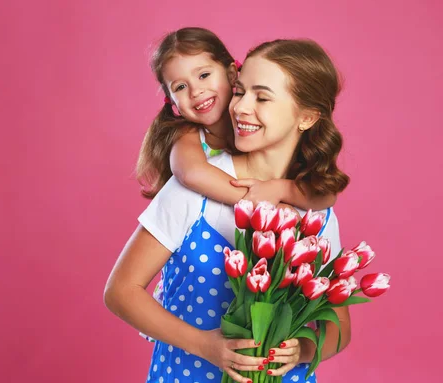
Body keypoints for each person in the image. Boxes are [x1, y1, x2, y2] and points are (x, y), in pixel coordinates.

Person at [105, 38, 351, 383]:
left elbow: (338, 326)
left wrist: (305, 350)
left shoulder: (315, 212)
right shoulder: (192, 191)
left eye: (262, 97)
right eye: (239, 92)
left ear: (307, 117)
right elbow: (121, 292)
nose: (240, 107)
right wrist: (206, 346)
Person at [135, 28, 339, 324]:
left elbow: (326, 196)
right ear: (172, 104)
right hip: (187, 263)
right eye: (179, 87)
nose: (196, 92)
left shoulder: (251, 127)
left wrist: (282, 188)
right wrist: (259, 207)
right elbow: (192, 173)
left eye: (204, 76)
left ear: (232, 74)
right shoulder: (187, 137)